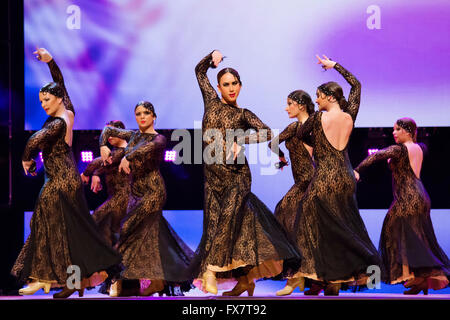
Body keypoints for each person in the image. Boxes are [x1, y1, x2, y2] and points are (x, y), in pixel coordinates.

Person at [11, 48, 121, 299]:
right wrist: (51, 62)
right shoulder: (67, 111)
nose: (43, 104)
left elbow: (33, 141)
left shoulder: (58, 123)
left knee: (42, 225)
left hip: (59, 182)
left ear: (58, 99)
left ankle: (42, 278)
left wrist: (26, 160)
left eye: (46, 100)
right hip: (66, 180)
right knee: (70, 233)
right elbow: (60, 83)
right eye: (40, 101)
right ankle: (73, 281)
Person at [190, 50, 301, 296]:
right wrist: (212, 57)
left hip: (237, 177)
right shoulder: (211, 101)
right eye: (226, 84)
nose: (231, 88)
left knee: (227, 222)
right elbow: (199, 71)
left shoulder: (243, 114)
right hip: (212, 178)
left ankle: (210, 271)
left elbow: (266, 133)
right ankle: (244, 280)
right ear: (218, 87)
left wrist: (242, 138)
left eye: (234, 84)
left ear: (240, 86)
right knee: (220, 226)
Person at [293, 55, 380, 296]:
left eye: (319, 96)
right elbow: (357, 85)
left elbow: (300, 134)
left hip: (325, 178)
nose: (316, 99)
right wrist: (335, 66)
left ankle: (321, 276)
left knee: (310, 223)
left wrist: (314, 142)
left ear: (330, 97)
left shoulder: (318, 118)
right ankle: (333, 280)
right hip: (346, 176)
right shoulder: (350, 115)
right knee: (344, 227)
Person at [100, 101, 194, 297]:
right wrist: (102, 146)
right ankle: (155, 281)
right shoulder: (133, 135)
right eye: (138, 113)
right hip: (135, 193)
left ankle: (119, 278)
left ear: (154, 116)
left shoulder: (159, 139)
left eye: (146, 113)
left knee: (126, 229)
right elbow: (108, 130)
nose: (142, 116)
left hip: (153, 192)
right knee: (151, 236)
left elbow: (146, 149)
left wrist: (129, 156)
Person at [354, 118, 450, 294]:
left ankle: (409, 275)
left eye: (397, 129)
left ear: (407, 131)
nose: (393, 132)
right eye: (393, 129)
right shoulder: (421, 147)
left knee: (392, 232)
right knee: (415, 238)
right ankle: (418, 279)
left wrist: (357, 170)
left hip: (408, 197)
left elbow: (375, 155)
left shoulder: (399, 150)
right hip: (421, 196)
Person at [268, 90, 315, 296]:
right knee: (297, 224)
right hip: (306, 181)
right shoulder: (311, 125)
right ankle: (301, 276)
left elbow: (272, 143)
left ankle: (297, 276)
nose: (286, 108)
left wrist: (281, 157)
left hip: (308, 182)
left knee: (288, 215)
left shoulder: (298, 126)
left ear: (301, 105)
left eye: (289, 104)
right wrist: (282, 158)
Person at [81, 120, 129, 247]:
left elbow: (101, 161)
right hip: (115, 199)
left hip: (123, 200)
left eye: (111, 133)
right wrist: (96, 175)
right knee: (107, 232)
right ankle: (108, 262)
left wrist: (86, 174)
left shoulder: (126, 151)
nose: (108, 137)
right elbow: (106, 164)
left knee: (94, 223)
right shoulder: (116, 152)